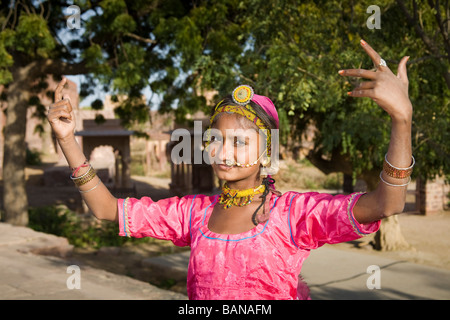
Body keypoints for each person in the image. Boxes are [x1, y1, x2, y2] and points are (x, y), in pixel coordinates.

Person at [47, 40, 413, 300]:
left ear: (266, 150)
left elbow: (386, 204)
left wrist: (402, 120)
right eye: (217, 140)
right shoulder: (193, 213)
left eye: (240, 142)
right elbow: (108, 209)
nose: (225, 152)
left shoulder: (294, 215)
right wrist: (67, 139)